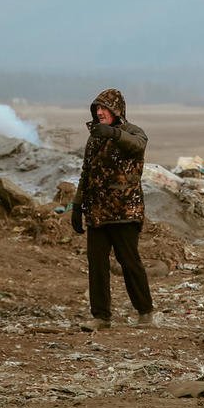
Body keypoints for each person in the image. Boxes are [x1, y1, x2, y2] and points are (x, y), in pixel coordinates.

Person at [70, 88, 156, 330]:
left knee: (129, 262)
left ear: (116, 110)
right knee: (96, 264)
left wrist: (114, 134)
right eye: (96, 109)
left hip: (125, 212)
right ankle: (100, 317)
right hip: (97, 213)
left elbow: (138, 146)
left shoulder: (132, 132)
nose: (99, 113)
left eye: (103, 108)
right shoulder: (94, 137)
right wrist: (77, 206)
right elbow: (86, 173)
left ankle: (145, 312)